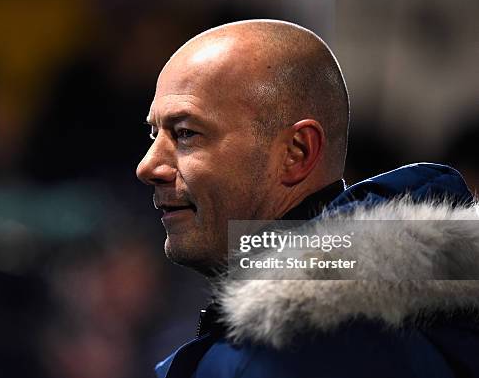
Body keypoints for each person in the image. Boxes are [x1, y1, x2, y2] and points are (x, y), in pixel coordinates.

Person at [136, 20, 479, 378]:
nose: (148, 166)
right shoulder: (390, 329)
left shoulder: (296, 355)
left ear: (296, 152)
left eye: (186, 133)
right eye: (153, 133)